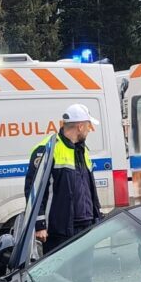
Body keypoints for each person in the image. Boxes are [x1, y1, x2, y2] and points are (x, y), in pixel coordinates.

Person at [24, 103, 103, 253]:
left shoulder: (82, 149)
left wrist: (97, 215)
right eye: (88, 125)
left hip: (85, 227)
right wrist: (40, 224)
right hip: (59, 229)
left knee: (84, 275)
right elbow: (32, 188)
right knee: (60, 275)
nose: (89, 129)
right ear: (80, 126)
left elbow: (89, 187)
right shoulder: (48, 148)